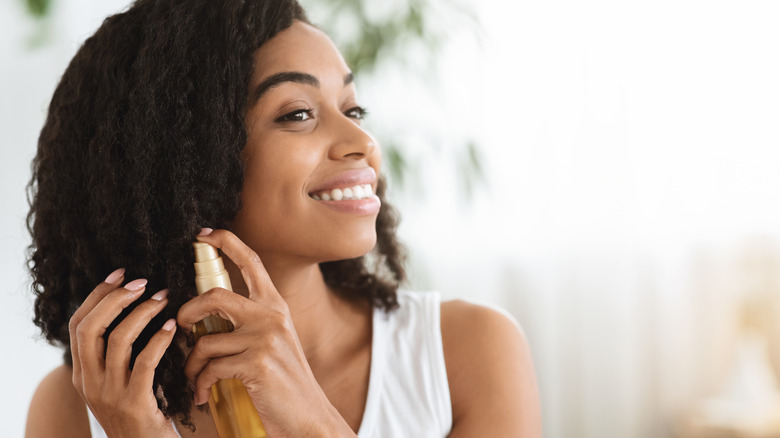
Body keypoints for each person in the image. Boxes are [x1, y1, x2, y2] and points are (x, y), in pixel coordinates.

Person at [24, 0, 541, 436]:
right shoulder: (76, 407)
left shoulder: (468, 351)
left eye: (352, 109)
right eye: (298, 114)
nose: (363, 143)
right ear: (182, 162)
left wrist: (312, 420)